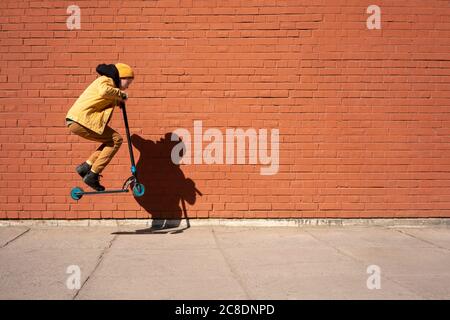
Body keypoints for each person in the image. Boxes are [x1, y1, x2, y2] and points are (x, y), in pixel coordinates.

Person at [66, 63, 134, 191]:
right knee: (116, 139)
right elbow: (104, 91)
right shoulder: (106, 80)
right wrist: (122, 95)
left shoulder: (108, 83)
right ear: (121, 78)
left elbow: (103, 97)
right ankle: (93, 174)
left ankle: (86, 167)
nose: (128, 86)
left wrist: (117, 100)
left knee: (109, 141)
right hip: (81, 120)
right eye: (128, 82)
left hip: (78, 120)